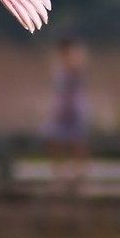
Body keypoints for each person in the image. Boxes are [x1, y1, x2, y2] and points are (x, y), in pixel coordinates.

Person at [45, 37, 89, 189]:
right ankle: (61, 172)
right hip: (63, 107)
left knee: (75, 141)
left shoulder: (73, 63)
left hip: (72, 107)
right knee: (58, 140)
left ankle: (78, 173)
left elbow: (72, 85)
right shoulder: (61, 66)